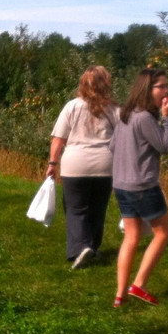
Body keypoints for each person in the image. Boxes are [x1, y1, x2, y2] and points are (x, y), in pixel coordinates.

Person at [110, 68, 168, 308]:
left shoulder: (125, 115)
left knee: (132, 236)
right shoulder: (145, 118)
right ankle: (139, 284)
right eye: (162, 87)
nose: (167, 91)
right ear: (148, 89)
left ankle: (120, 294)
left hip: (122, 184)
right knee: (163, 233)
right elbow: (165, 146)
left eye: (167, 86)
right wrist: (167, 117)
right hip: (143, 185)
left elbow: (112, 146)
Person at [46, 66, 118, 269]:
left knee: (76, 209)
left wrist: (52, 163)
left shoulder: (72, 106)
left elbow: (58, 139)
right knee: (98, 209)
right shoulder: (114, 109)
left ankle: (79, 249)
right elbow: (123, 139)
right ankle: (93, 247)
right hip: (105, 165)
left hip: (75, 165)